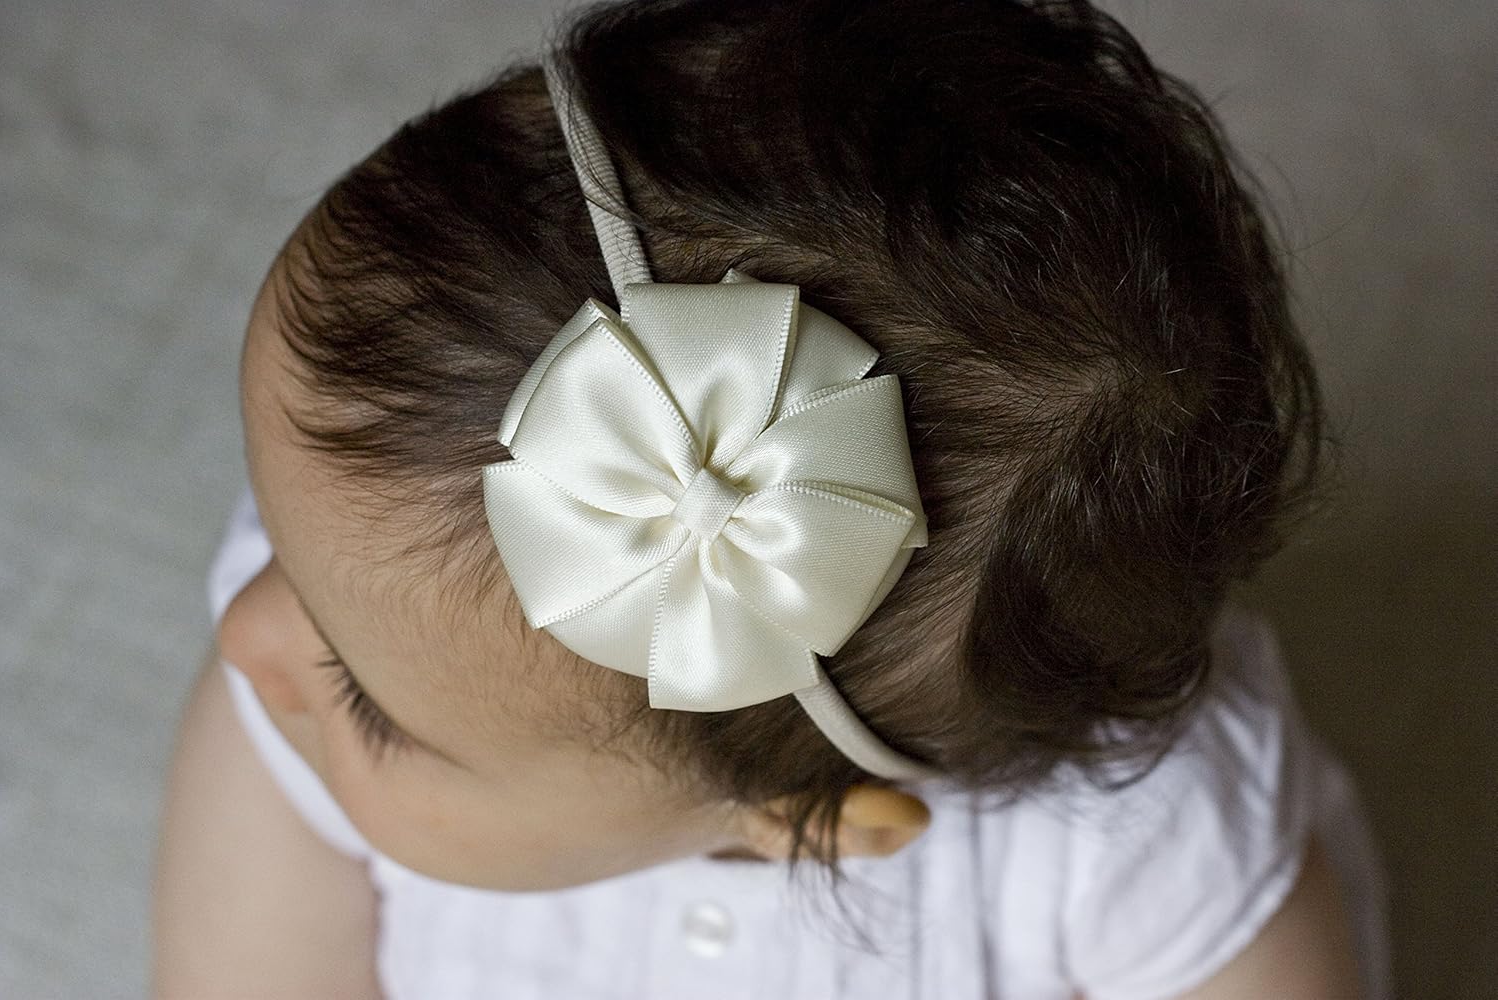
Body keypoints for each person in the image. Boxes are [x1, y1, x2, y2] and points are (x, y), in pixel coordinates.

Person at [152, 1, 1391, 997]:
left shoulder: (1139, 851)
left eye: (372, 704)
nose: (246, 630)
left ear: (810, 821)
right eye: (282, 531)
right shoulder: (355, 637)